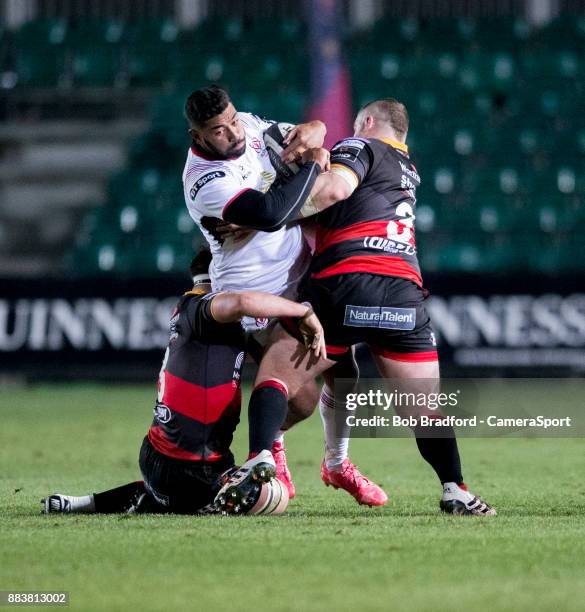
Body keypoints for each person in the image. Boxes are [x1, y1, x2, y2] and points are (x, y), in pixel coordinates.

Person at [239, 98, 496, 516]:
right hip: (403, 291)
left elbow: (336, 189)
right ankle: (456, 489)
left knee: (277, 378)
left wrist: (266, 214)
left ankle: (258, 462)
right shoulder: (409, 171)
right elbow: (344, 210)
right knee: (422, 404)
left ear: (368, 122)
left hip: (346, 282)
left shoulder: (359, 147)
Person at [182, 85, 386, 506]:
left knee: (343, 366)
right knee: (302, 396)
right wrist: (310, 166)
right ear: (199, 136)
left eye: (233, 119)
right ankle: (268, 451)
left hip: (300, 275)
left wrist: (316, 130)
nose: (233, 133)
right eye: (218, 130)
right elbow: (272, 213)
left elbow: (309, 135)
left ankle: (336, 462)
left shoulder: (251, 127)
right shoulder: (205, 181)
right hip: (253, 292)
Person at [42, 251, 324, 516]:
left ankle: (83, 503)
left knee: (171, 498)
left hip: (159, 458)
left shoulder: (191, 314)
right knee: (273, 496)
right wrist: (302, 312)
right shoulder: (204, 309)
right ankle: (214, 500)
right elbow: (241, 301)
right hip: (195, 467)